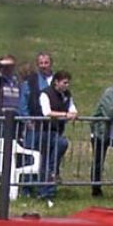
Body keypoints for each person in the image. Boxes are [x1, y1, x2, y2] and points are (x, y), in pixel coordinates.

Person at [38, 70, 78, 202]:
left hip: (57, 131)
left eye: (68, 83)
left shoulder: (67, 95)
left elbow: (73, 109)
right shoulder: (45, 94)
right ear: (56, 82)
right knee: (46, 161)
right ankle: (44, 191)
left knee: (52, 162)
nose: (67, 85)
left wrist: (73, 114)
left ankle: (49, 190)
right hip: (43, 132)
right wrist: (65, 115)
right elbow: (47, 112)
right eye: (64, 83)